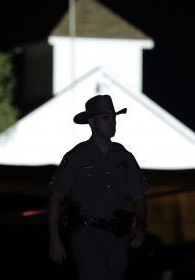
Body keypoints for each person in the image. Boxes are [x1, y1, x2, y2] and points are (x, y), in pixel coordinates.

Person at [48, 94, 147, 280]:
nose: (113, 123)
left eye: (114, 118)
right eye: (106, 118)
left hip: (118, 237)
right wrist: (55, 241)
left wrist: (140, 225)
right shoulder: (76, 157)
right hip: (86, 236)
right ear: (92, 123)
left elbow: (139, 197)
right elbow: (55, 198)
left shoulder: (124, 157)